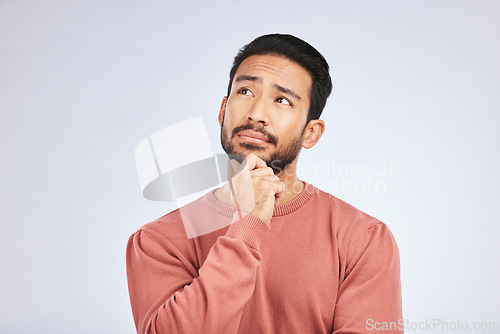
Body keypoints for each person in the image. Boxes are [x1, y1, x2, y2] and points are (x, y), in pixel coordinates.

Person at [126, 33, 403, 334]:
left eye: (282, 100)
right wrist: (250, 224)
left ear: (311, 133)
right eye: (245, 92)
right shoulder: (158, 241)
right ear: (222, 111)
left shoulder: (362, 238)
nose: (257, 114)